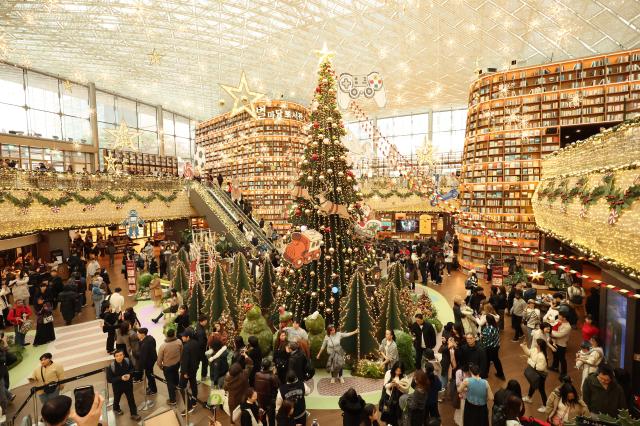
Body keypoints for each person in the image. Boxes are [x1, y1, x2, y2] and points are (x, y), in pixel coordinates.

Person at [106, 349, 141, 421]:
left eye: (121, 355)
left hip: (128, 385)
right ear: (114, 357)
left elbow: (132, 369)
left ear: (123, 355)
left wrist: (130, 375)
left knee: (131, 399)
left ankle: (134, 414)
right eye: (117, 356)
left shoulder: (128, 361)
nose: (119, 357)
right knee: (117, 398)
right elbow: (109, 379)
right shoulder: (111, 367)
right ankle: (116, 408)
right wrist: (120, 378)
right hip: (117, 387)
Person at [520, 338, 548, 412]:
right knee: (532, 384)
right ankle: (529, 397)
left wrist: (529, 360)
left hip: (540, 375)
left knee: (541, 390)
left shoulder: (542, 356)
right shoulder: (535, 349)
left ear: (539, 346)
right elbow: (529, 353)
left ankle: (545, 406)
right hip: (535, 373)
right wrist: (524, 346)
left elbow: (540, 368)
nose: (535, 343)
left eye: (536, 343)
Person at [157, 328, 182, 406]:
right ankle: (176, 387)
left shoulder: (163, 346)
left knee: (169, 383)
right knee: (176, 375)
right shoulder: (179, 342)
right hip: (177, 364)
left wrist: (161, 366)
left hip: (167, 367)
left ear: (167, 336)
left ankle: (173, 400)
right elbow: (181, 352)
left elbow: (159, 359)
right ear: (174, 334)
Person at [179, 328, 200, 414]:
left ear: (188, 337)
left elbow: (185, 361)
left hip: (187, 371)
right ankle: (194, 401)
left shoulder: (186, 346)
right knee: (193, 384)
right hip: (194, 369)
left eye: (183, 336)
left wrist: (184, 373)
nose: (182, 338)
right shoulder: (196, 343)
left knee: (181, 387)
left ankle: (188, 407)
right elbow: (199, 357)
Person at [480, 315, 505, 380]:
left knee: (488, 360)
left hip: (489, 347)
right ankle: (499, 373)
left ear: (487, 320)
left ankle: (487, 374)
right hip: (496, 346)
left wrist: (481, 336)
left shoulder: (486, 329)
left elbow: (483, 338)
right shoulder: (496, 326)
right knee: (495, 360)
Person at [255, 359, 278, 426]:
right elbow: (277, 385)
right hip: (270, 401)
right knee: (271, 419)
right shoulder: (273, 376)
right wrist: (274, 373)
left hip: (260, 400)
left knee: (262, 418)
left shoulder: (257, 374)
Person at [137, 328, 157, 396]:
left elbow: (143, 357)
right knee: (150, 375)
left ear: (142, 334)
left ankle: (153, 390)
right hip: (152, 359)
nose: (137, 335)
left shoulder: (144, 345)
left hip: (148, 362)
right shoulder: (150, 338)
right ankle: (151, 386)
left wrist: (141, 367)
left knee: (150, 375)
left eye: (138, 334)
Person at [195, 316, 209, 382]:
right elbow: (201, 343)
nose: (206, 322)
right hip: (201, 350)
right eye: (205, 321)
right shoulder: (200, 331)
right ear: (202, 321)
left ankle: (193, 376)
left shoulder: (198, 326)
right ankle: (203, 376)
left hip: (197, 350)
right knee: (204, 363)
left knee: (196, 364)